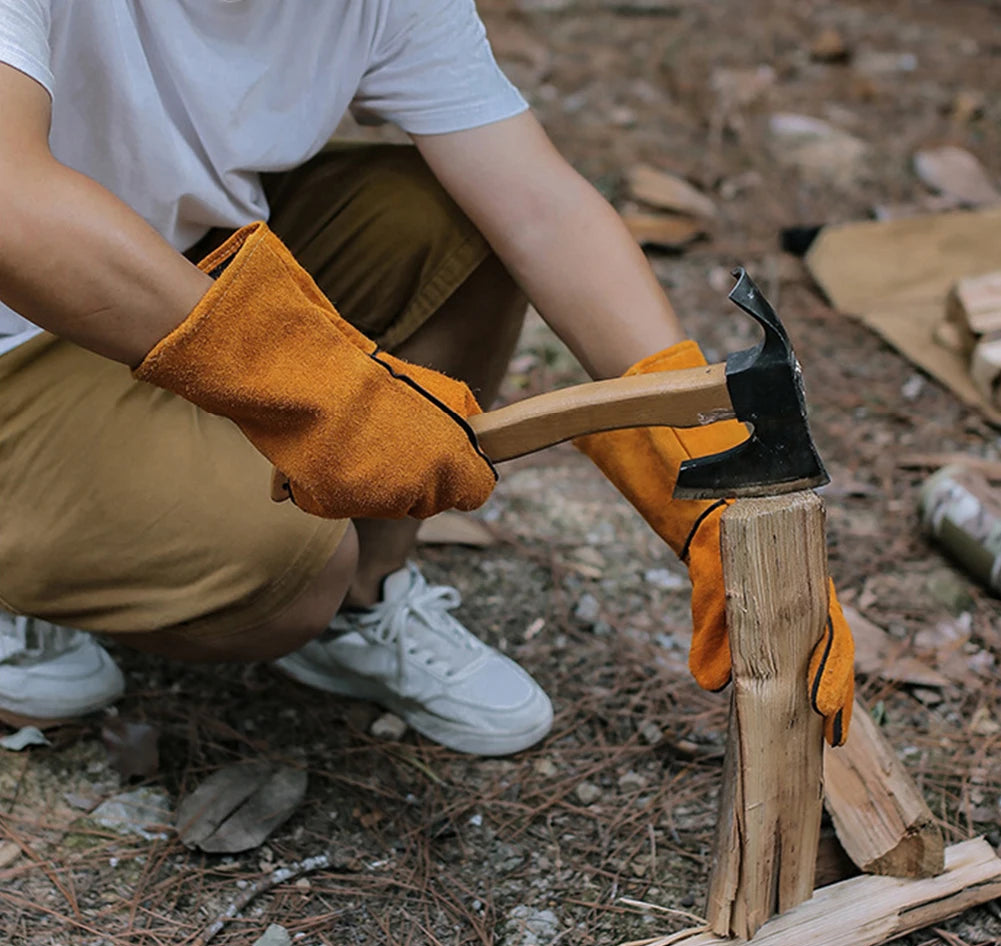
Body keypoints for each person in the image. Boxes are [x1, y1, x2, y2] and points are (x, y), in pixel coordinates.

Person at [0, 1, 854, 752]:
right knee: (285, 562)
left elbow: (541, 211)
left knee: (452, 225)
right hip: (13, 336)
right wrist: (317, 386)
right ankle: (36, 581)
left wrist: (701, 475)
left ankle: (361, 607)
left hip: (177, 277)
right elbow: (12, 203)